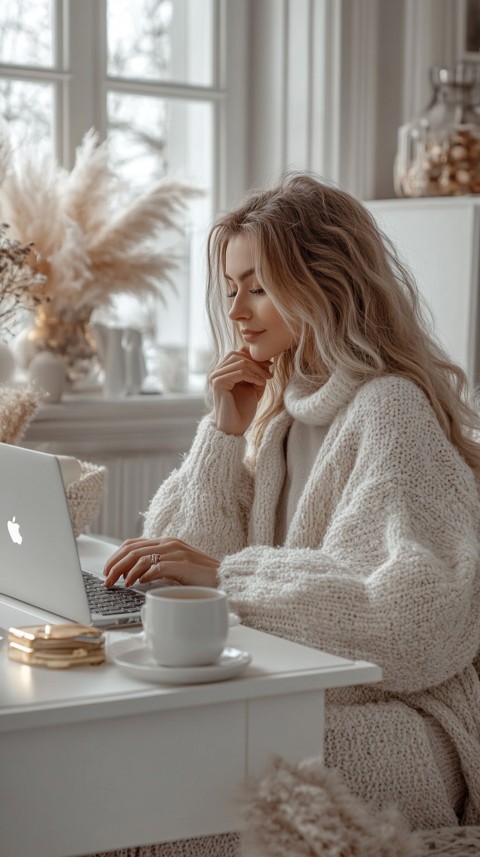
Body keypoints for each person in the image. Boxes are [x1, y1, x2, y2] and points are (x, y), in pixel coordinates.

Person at [104, 173, 480, 840]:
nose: (238, 310)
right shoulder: (275, 418)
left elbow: (414, 622)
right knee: (133, 749)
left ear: (324, 284)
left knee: (176, 767)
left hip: (409, 725)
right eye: (231, 289)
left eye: (258, 287)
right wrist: (221, 433)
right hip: (300, 689)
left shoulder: (389, 408)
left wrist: (226, 578)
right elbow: (173, 563)